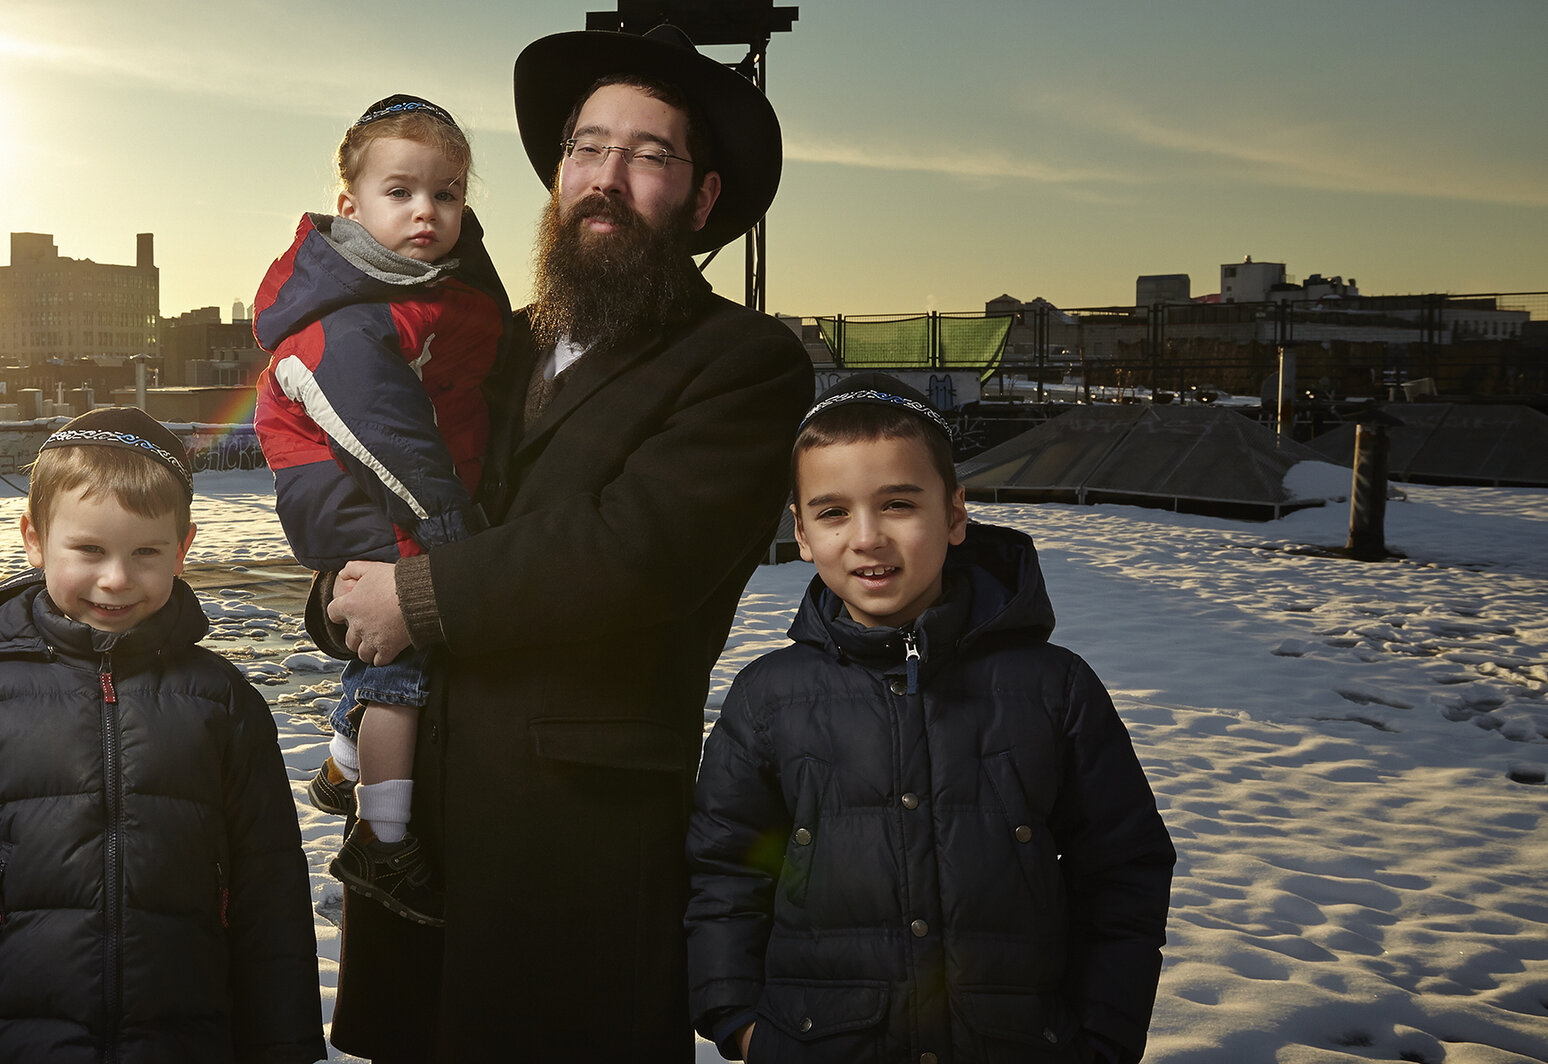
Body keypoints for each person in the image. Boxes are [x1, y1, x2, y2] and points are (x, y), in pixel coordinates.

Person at [319, 24, 816, 1061]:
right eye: (586, 150)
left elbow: (633, 547)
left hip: (575, 833)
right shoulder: (488, 341)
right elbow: (384, 483)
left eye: (647, 156)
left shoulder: (744, 362)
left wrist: (409, 599)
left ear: (701, 199)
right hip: (425, 829)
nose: (605, 177)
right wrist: (340, 586)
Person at [685, 374, 1176, 1062]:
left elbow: (1123, 870)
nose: (867, 538)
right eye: (832, 513)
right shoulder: (768, 698)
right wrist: (738, 1020)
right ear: (800, 532)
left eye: (898, 504)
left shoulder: (1054, 689)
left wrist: (1104, 1037)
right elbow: (724, 870)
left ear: (953, 515)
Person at [0, 407, 325, 1064]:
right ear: (35, 539)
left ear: (183, 548)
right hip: (19, 1042)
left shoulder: (224, 705)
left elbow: (271, 904)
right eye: (88, 550)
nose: (116, 579)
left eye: (146, 553)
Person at [252, 93, 508, 927]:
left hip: (391, 483)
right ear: (350, 207)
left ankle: (337, 758)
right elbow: (389, 436)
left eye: (450, 192)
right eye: (401, 192)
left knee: (393, 643)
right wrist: (449, 544)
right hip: (354, 485)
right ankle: (381, 839)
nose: (428, 211)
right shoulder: (349, 315)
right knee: (407, 656)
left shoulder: (422, 284)